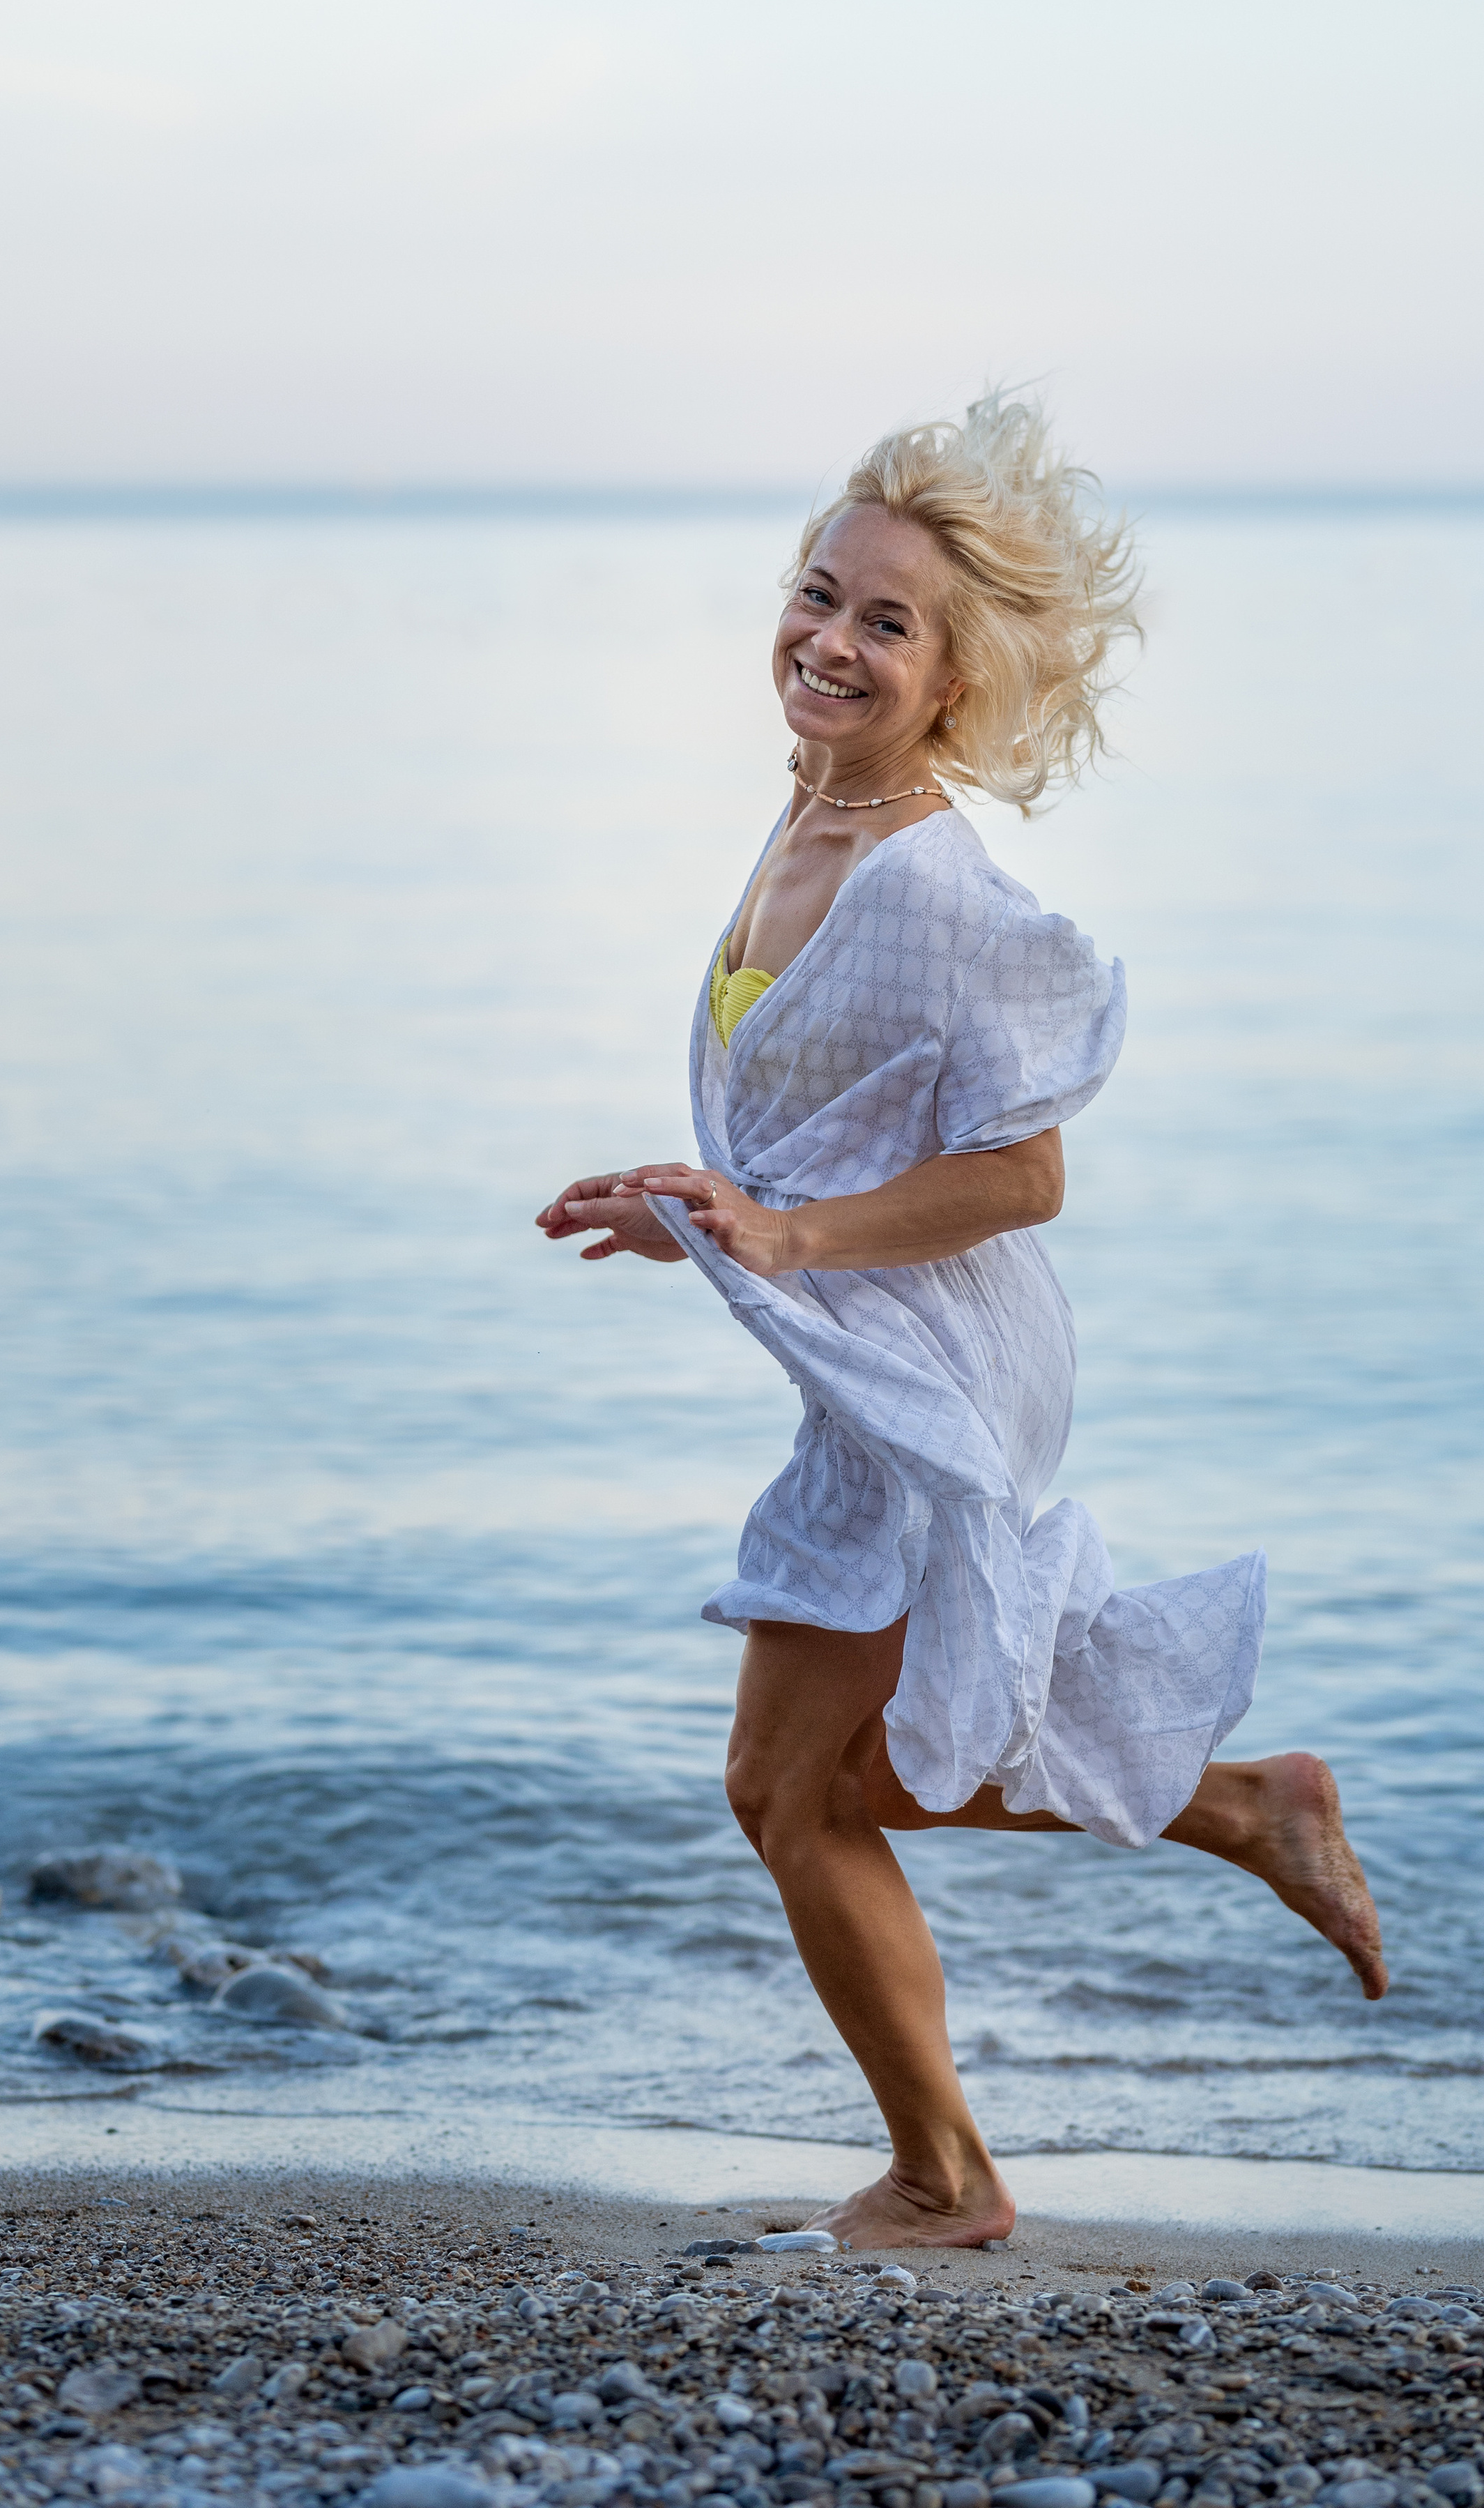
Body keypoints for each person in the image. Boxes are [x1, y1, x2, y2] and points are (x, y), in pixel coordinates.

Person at [536, 394, 1386, 2251]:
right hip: (871, 1351)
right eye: (819, 595)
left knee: (787, 1784)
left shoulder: (935, 886)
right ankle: (1241, 1808)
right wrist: (708, 1221)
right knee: (838, 1775)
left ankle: (950, 2177)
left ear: (953, 681)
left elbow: (1023, 1175)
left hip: (942, 1365)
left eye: (887, 625)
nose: (832, 640)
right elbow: (819, 1132)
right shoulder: (804, 818)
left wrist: (787, 1229)